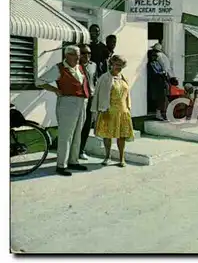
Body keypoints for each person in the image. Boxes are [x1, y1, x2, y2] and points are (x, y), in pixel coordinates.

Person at [36, 45, 90, 176]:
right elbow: (39, 81)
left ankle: (73, 161)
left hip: (82, 102)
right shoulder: (59, 68)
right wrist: (55, 90)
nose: (78, 57)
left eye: (79, 54)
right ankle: (61, 165)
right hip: (67, 102)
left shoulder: (80, 67)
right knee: (66, 135)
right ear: (67, 55)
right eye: (75, 54)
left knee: (78, 133)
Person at [92, 55, 134, 167]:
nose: (118, 67)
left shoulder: (124, 78)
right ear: (111, 64)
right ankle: (107, 156)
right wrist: (96, 110)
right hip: (108, 110)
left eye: (121, 65)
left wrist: (128, 107)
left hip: (122, 111)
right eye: (116, 65)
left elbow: (127, 94)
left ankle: (122, 158)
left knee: (122, 136)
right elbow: (97, 94)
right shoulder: (104, 78)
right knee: (107, 135)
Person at [78, 44, 98, 160]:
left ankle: (81, 150)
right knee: (77, 126)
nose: (87, 55)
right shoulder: (75, 66)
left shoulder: (93, 65)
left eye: (89, 53)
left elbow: (95, 80)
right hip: (78, 98)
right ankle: (72, 150)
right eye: (84, 53)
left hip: (90, 98)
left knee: (87, 125)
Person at [147, 49, 169, 120]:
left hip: (161, 82)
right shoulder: (150, 64)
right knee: (158, 99)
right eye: (153, 55)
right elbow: (154, 73)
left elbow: (162, 70)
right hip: (156, 84)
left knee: (163, 99)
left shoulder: (157, 63)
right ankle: (158, 114)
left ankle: (162, 113)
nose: (155, 57)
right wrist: (162, 73)